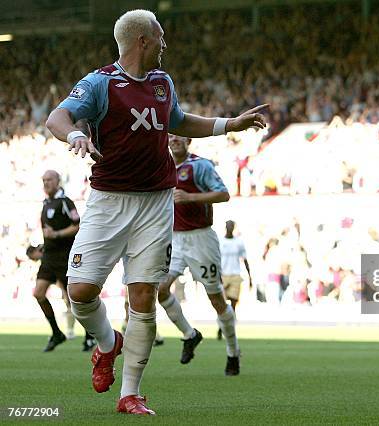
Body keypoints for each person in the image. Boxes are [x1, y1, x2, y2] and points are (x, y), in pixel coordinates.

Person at [45, 9, 266, 415]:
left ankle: (130, 393)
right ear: (143, 40)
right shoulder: (100, 83)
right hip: (109, 200)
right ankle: (109, 344)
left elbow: (179, 121)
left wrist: (228, 124)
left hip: (156, 201)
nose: (165, 44)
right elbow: (57, 117)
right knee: (80, 291)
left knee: (143, 296)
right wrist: (75, 132)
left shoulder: (163, 83)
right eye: (160, 37)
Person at [158, 135, 241, 374]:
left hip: (201, 238)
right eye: (170, 136)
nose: (174, 140)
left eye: (179, 136)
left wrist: (191, 197)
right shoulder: (162, 166)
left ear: (188, 140)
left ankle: (233, 351)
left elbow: (223, 194)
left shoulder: (199, 166)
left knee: (216, 299)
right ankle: (189, 334)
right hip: (174, 239)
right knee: (160, 289)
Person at [33, 170, 95, 352]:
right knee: (38, 293)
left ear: (58, 181)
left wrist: (58, 234)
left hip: (66, 257)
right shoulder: (46, 203)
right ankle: (57, 333)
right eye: (43, 180)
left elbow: (77, 226)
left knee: (76, 299)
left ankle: (90, 335)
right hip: (49, 258)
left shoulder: (65, 202)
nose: (46, 183)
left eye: (49, 180)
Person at [217, 220, 252, 340]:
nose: (230, 228)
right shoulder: (220, 242)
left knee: (233, 304)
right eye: (228, 225)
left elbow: (245, 259)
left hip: (236, 275)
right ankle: (221, 326)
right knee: (221, 304)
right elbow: (216, 259)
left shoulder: (239, 242)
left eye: (232, 226)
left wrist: (250, 277)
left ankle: (229, 329)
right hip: (223, 275)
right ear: (225, 227)